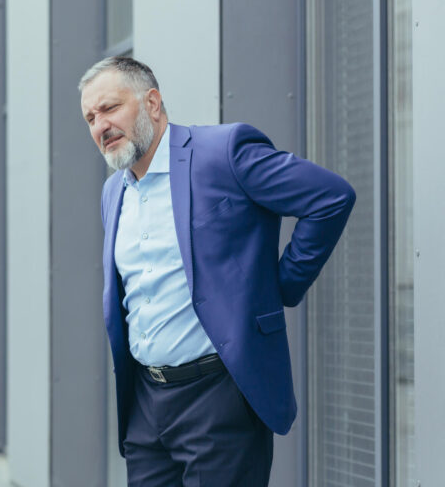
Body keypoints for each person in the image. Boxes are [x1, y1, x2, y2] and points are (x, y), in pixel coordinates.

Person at [79, 56, 355, 486]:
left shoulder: (224, 153)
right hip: (147, 407)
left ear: (152, 102)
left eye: (110, 108)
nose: (100, 126)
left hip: (219, 399)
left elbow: (330, 198)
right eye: (91, 117)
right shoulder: (113, 192)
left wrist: (283, 284)